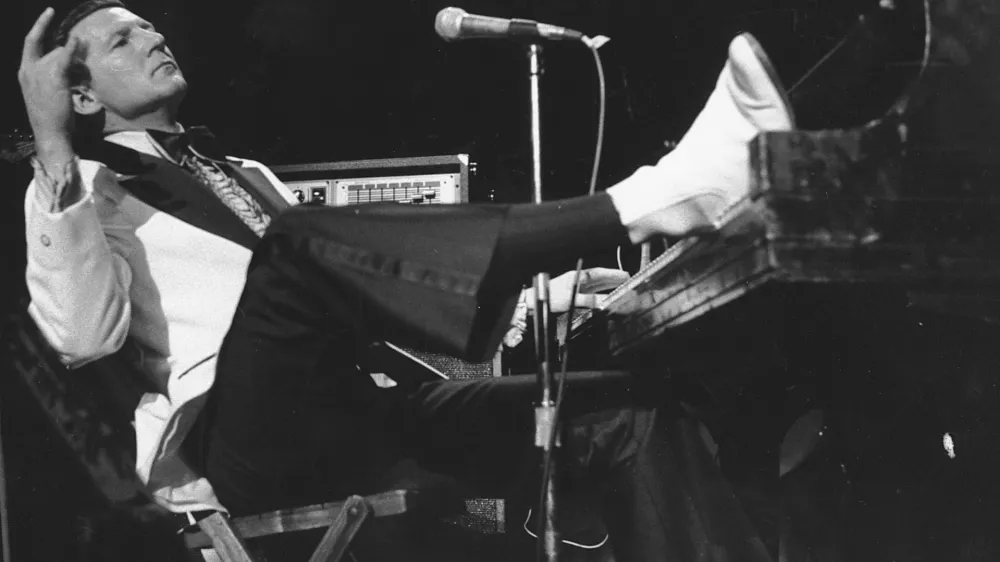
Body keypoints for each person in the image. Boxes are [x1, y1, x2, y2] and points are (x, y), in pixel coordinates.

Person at [17, 1, 793, 560]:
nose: (153, 36)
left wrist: (539, 301)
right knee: (299, 245)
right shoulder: (80, 189)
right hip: (248, 446)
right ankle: (660, 195)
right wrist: (53, 146)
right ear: (81, 95)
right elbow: (82, 336)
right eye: (123, 39)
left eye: (149, 24)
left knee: (628, 411)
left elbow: (368, 292)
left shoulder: (244, 174)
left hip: (371, 405)